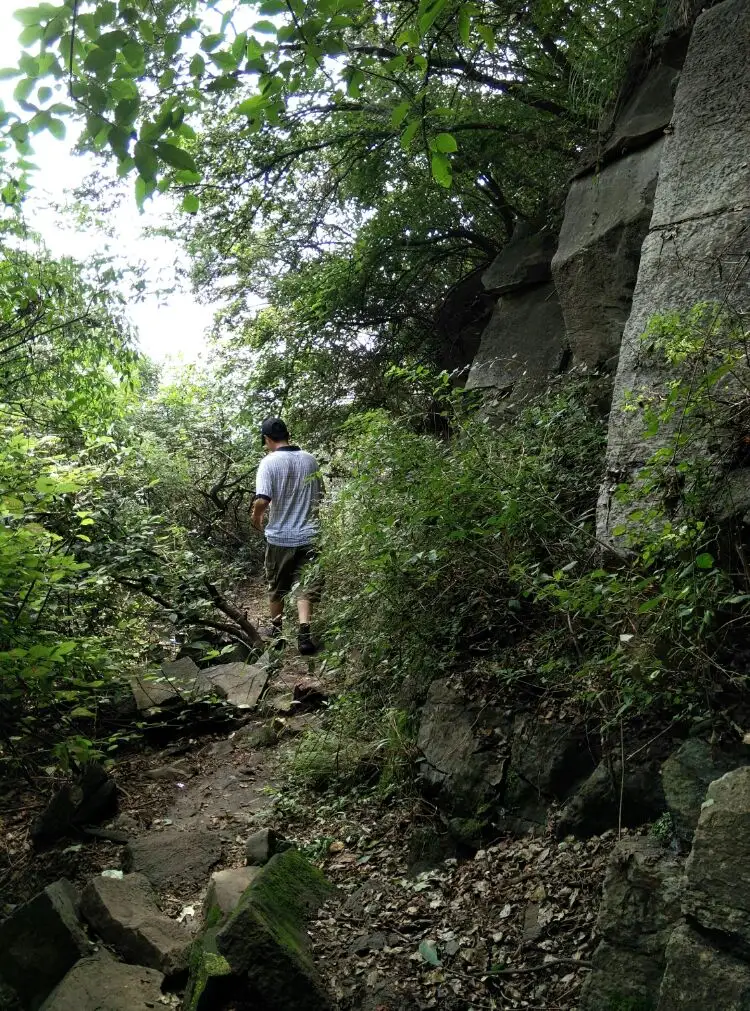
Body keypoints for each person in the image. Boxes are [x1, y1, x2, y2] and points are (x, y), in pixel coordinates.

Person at [251, 417, 322, 655]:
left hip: (280, 537)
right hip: (310, 535)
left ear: (267, 439)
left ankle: (278, 632)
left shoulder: (268, 463)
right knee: (306, 587)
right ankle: (304, 633)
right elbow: (319, 495)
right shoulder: (310, 460)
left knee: (278, 585)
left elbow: (262, 499)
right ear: (287, 436)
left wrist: (256, 518)